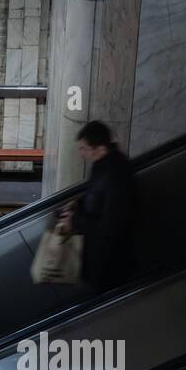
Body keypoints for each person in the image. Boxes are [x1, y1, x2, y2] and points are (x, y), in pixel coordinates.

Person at [58, 121, 137, 294]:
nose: (81, 154)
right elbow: (96, 195)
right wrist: (78, 203)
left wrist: (76, 220)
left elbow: (111, 225)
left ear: (100, 149)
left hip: (108, 263)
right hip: (97, 257)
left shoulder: (116, 177)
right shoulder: (103, 166)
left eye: (84, 149)